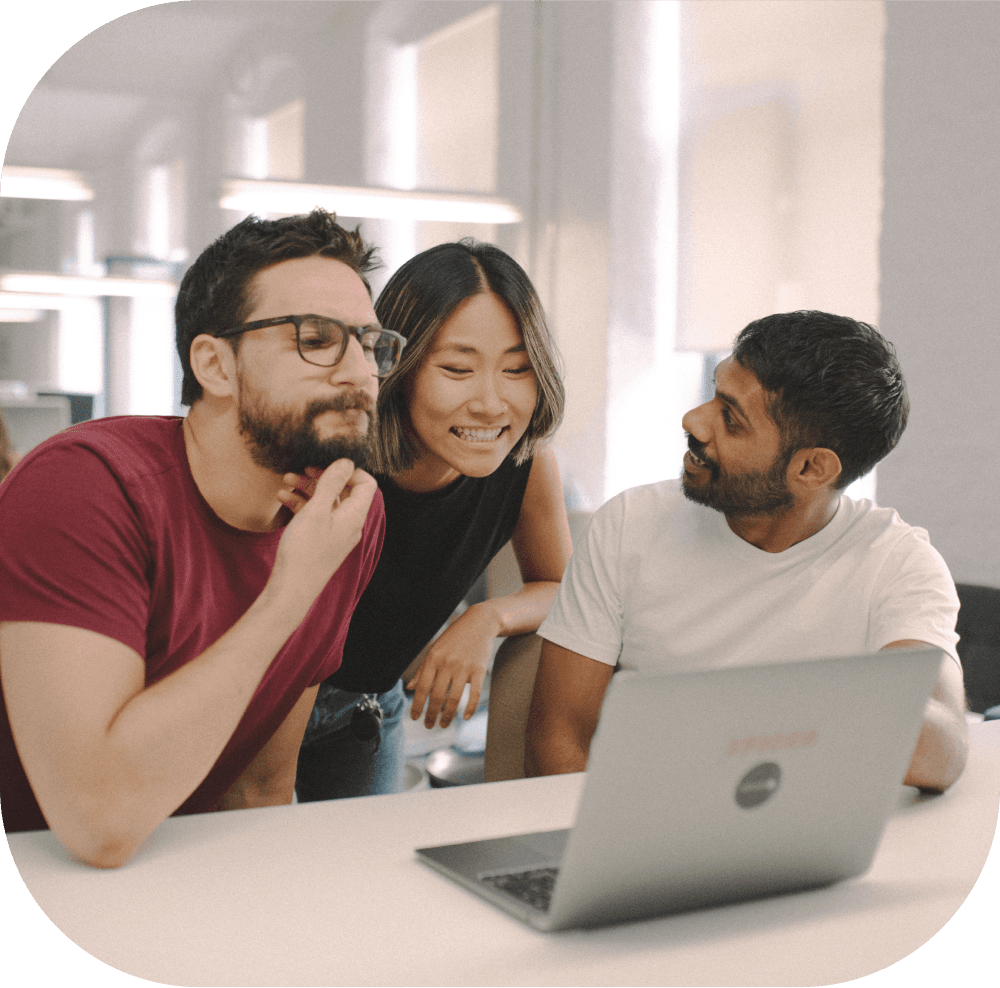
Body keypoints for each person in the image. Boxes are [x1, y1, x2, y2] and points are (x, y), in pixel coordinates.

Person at [0, 209, 401, 866]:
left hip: (169, 875)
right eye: (316, 339)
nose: (360, 372)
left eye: (370, 343)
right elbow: (96, 823)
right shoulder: (81, 489)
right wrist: (292, 587)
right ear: (215, 365)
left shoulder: (344, 517)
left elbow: (260, 785)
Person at [525, 310, 968, 794]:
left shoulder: (899, 563)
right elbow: (559, 743)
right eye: (714, 395)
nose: (693, 420)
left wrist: (779, 703)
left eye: (730, 419)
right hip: (639, 831)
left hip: (801, 842)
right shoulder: (629, 525)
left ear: (811, 469)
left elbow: (942, 752)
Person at [290, 240, 572, 801]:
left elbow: (560, 586)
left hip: (367, 712)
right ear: (399, 366)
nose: (491, 404)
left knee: (365, 882)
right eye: (457, 368)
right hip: (268, 701)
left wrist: (486, 619)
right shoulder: (334, 458)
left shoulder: (524, 464)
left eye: (517, 369)